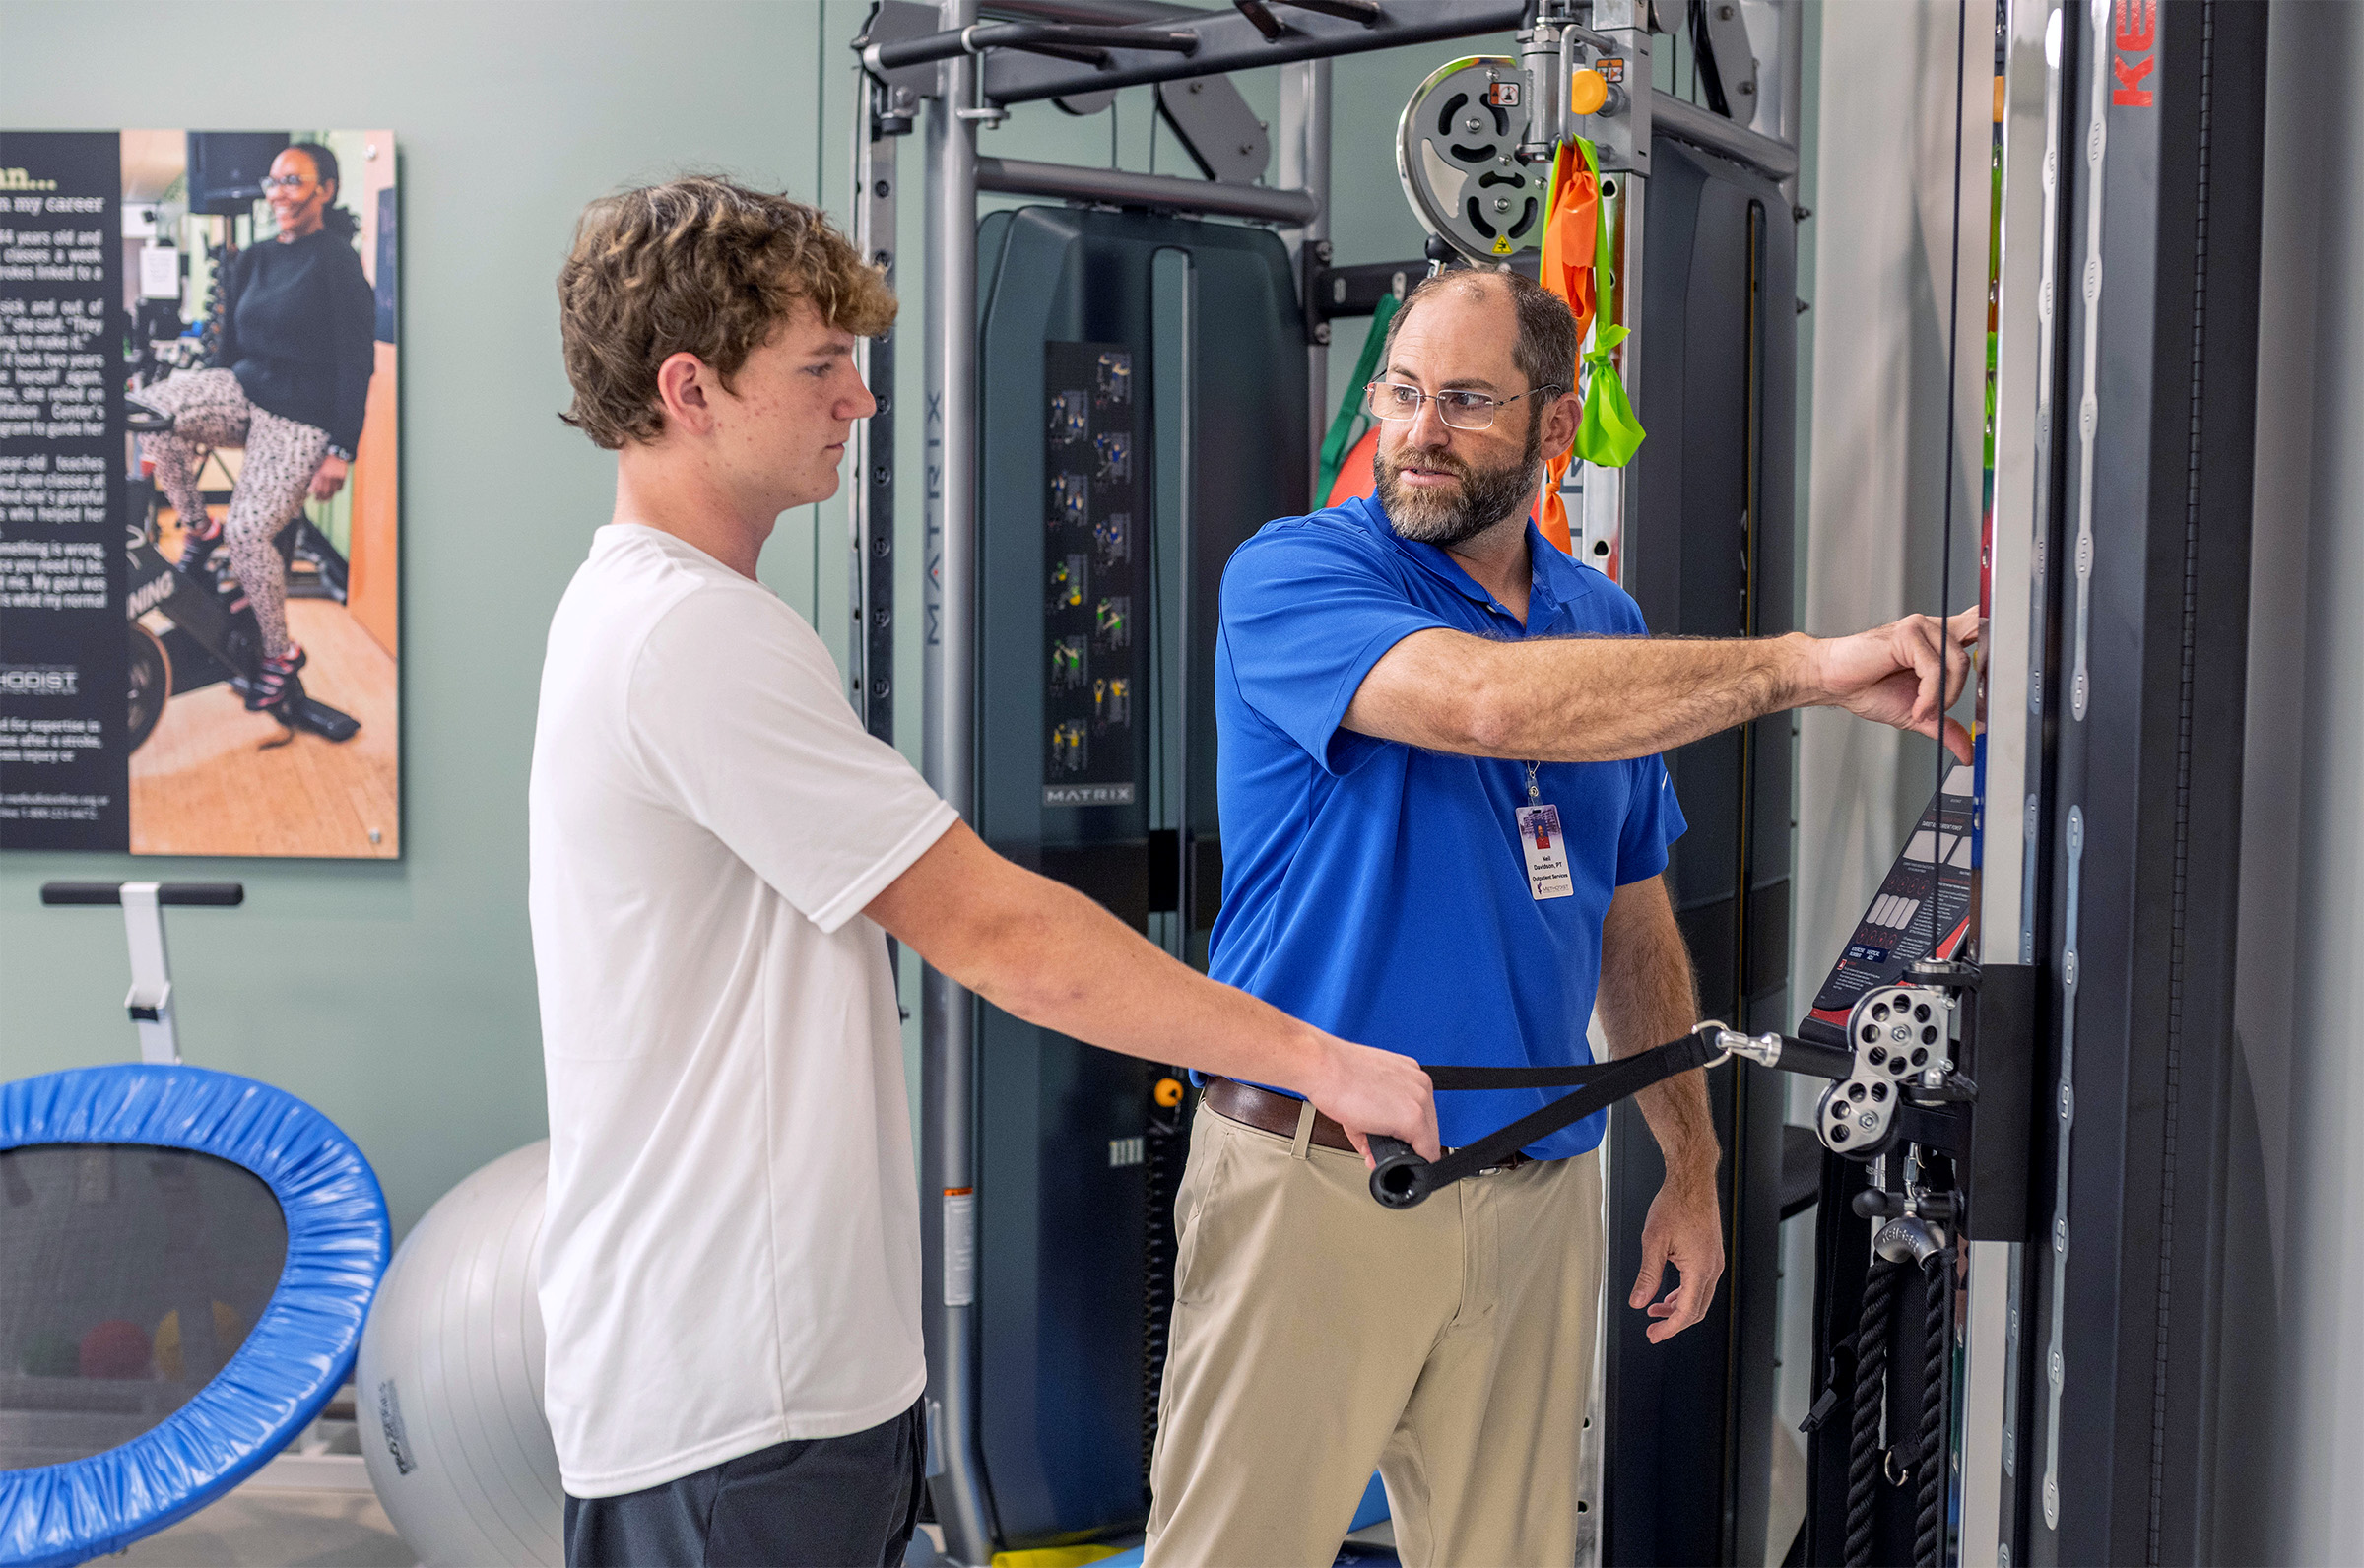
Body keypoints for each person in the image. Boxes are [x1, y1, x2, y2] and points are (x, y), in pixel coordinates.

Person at [526, 176, 1438, 1568]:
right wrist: (1319, 1060)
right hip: (739, 1400)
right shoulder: (691, 639)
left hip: (756, 1377)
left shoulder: (652, 615)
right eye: (822, 367)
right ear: (691, 388)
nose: (860, 401)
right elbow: (999, 934)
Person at [1143, 266, 1975, 1567]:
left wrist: (1688, 1171)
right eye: (1404, 393)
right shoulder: (1297, 575)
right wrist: (1808, 666)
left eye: (1466, 401)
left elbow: (1627, 910)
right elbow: (1487, 705)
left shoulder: (1603, 623)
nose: (1418, 430)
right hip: (1314, 1179)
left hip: (1533, 1192)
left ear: (1551, 424)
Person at [134, 141, 374, 713]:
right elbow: (226, 349)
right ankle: (197, 528)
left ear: (326, 189)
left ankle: (278, 651)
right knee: (149, 409)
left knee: (249, 534)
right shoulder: (255, 258)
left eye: (293, 181)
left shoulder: (336, 259)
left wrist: (341, 449)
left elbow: (355, 361)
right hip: (245, 390)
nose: (279, 193)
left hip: (302, 416)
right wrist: (201, 404)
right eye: (273, 182)